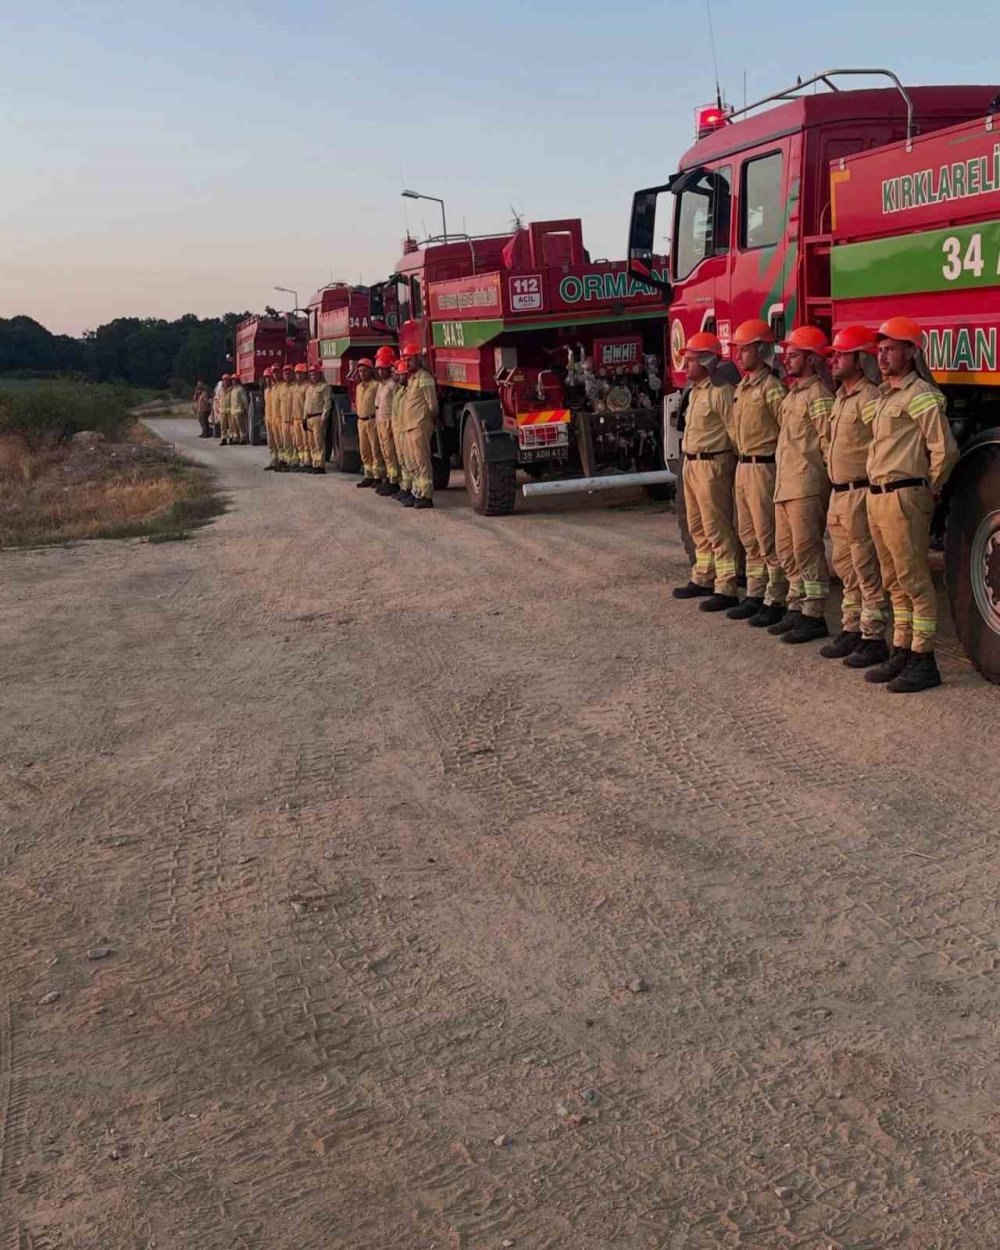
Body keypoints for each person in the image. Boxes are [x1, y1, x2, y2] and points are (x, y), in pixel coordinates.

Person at [863, 316, 959, 692]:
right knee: (894, 582)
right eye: (880, 350)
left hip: (904, 497)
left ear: (910, 352)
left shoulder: (920, 394)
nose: (882, 356)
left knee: (915, 581)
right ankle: (902, 649)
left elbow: (944, 450)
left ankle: (924, 659)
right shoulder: (886, 395)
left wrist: (927, 489)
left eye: (890, 349)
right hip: (879, 497)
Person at [820, 326, 887, 666]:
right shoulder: (840, 398)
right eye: (832, 355)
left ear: (860, 360)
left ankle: (873, 637)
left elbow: (881, 442)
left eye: (841, 355)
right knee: (845, 567)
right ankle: (852, 629)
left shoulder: (870, 397)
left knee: (865, 567)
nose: (833, 361)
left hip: (860, 492)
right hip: (839, 494)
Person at [770, 325, 835, 644]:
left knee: (807, 551)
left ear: (811, 359)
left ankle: (814, 615)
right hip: (786, 485)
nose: (786, 360)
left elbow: (827, 443)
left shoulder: (819, 396)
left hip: (807, 486)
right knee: (787, 551)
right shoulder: (793, 395)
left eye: (793, 355)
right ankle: (796, 607)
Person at [671, 332, 739, 610]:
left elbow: (735, 433)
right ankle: (703, 576)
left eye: (690, 360)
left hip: (712, 465)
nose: (685, 366)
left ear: (707, 361)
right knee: (697, 525)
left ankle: (726, 587)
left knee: (716, 527)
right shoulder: (696, 391)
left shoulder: (722, 393)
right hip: (692, 464)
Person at [727, 320, 788, 626]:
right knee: (749, 536)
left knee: (768, 537)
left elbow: (786, 432)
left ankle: (776, 598)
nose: (738, 355)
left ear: (761, 350)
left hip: (764, 468)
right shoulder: (742, 387)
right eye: (737, 349)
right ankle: (755, 593)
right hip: (744, 467)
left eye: (745, 349)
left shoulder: (772, 389)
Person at [401, 345, 440, 509]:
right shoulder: (412, 379)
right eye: (405, 359)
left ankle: (427, 496)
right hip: (411, 426)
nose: (407, 362)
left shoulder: (424, 377)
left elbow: (433, 405)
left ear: (418, 358)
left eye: (410, 359)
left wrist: (424, 419)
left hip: (419, 425)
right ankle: (418, 492)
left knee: (422, 461)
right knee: (414, 463)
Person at [374, 346, 400, 496]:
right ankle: (389, 478)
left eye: (383, 369)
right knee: (385, 451)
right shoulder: (381, 385)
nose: (380, 372)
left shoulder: (392, 385)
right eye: (379, 369)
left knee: (391, 452)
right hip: (380, 420)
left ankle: (394, 481)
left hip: (389, 421)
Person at [353, 359, 382, 487]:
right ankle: (368, 475)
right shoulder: (358, 387)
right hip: (361, 421)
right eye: (360, 371)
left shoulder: (376, 385)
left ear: (371, 371)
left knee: (375, 449)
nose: (362, 373)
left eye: (365, 371)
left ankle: (378, 477)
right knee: (364, 450)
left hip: (372, 420)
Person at [391, 358, 415, 504]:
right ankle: (406, 487)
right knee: (403, 460)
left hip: (407, 428)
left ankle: (416, 491)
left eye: (399, 374)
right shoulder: (400, 390)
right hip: (400, 429)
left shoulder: (409, 390)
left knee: (413, 461)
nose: (396, 376)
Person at [302, 363, 332, 474]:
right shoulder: (309, 388)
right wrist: (304, 418)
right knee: (312, 443)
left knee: (319, 442)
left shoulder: (324, 387)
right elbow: (306, 404)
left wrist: (324, 417)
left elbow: (327, 403)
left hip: (318, 418)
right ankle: (314, 463)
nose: (313, 376)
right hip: (309, 418)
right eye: (311, 374)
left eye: (315, 374)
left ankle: (320, 465)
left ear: (320, 375)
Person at [288, 363, 309, 470]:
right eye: (297, 374)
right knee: (298, 443)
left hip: (304, 419)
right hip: (295, 419)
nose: (299, 376)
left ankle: (307, 462)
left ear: (305, 374)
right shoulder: (294, 387)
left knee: (306, 443)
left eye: (301, 373)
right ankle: (301, 461)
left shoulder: (308, 387)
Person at [262, 367, 279, 469]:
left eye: (269, 377)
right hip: (269, 418)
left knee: (278, 440)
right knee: (271, 441)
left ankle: (280, 460)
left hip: (276, 418)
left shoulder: (275, 388)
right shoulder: (266, 390)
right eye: (265, 377)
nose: (267, 379)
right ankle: (273, 460)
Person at [229, 372, 248, 445]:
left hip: (239, 411)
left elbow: (244, 400)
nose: (233, 381)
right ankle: (236, 438)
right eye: (232, 380)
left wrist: (245, 408)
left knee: (241, 426)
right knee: (234, 427)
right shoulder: (233, 390)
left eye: (234, 379)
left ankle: (243, 438)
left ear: (237, 380)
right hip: (233, 412)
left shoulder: (240, 389)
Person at [218, 374, 233, 445]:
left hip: (230, 411)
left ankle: (231, 439)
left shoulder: (232, 389)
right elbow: (218, 399)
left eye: (227, 380)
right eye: (224, 380)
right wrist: (218, 407)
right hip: (222, 411)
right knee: (223, 426)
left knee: (231, 426)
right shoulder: (220, 390)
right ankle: (223, 439)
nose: (225, 382)